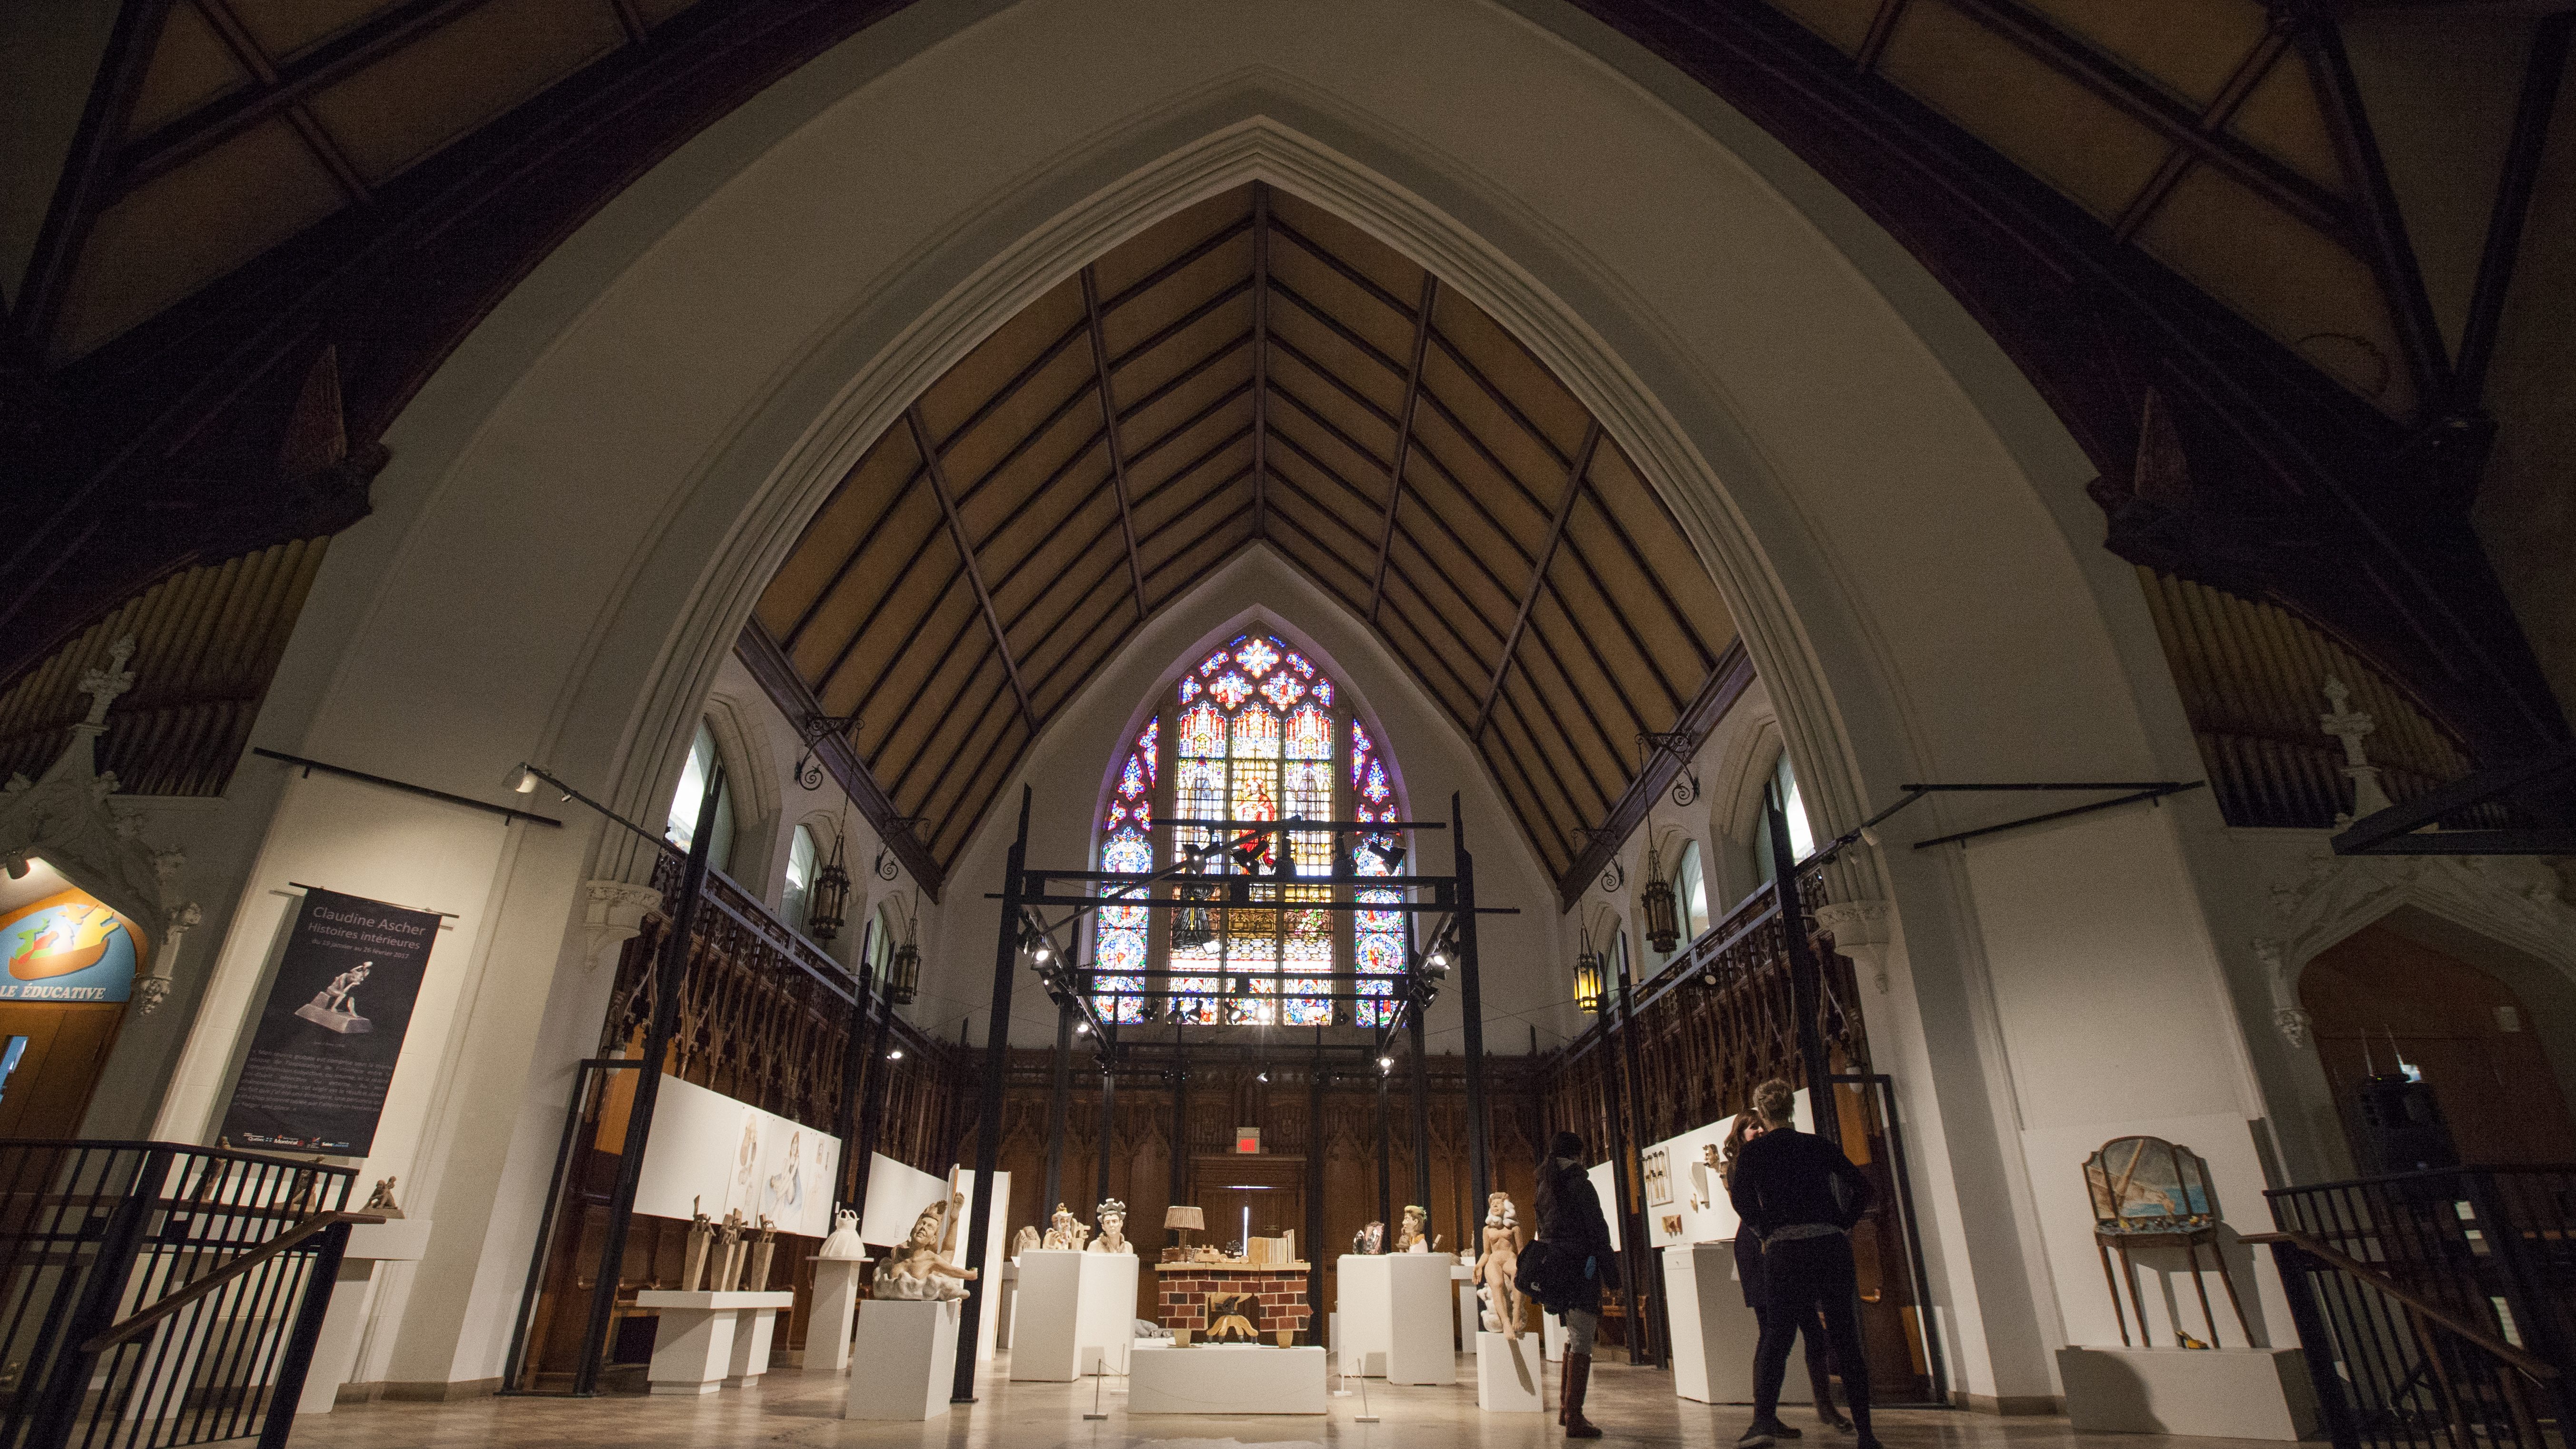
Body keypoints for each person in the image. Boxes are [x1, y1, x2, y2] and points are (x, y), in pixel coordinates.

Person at [1727, 1079, 1880, 1449]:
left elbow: (1741, 1200)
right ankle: (1866, 1432)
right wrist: (1843, 1222)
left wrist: (1765, 1229)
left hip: (1785, 1250)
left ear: (1762, 1111)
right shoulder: (1815, 1144)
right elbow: (1862, 1187)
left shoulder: (1754, 1154)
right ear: (1791, 1108)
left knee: (1777, 1338)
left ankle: (1763, 1422)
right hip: (1828, 1245)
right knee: (1844, 1337)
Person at [1721, 1110, 1852, 1435]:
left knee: (1808, 1330)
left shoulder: (1771, 1154)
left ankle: (1820, 1407)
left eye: (1762, 1124)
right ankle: (1765, 1416)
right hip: (1760, 1246)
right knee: (1773, 1333)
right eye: (1752, 1127)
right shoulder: (1743, 1161)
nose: (1760, 1131)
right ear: (1740, 1133)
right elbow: (1748, 1205)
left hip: (1784, 1247)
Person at [1532, 1130, 1613, 1439]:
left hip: (1558, 1267)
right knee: (1582, 1339)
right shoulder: (1579, 1183)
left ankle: (1568, 1411)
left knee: (1574, 1334)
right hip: (1581, 1268)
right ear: (1578, 1154)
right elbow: (1597, 1229)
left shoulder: (1545, 1185)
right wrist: (1612, 1273)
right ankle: (1575, 1415)